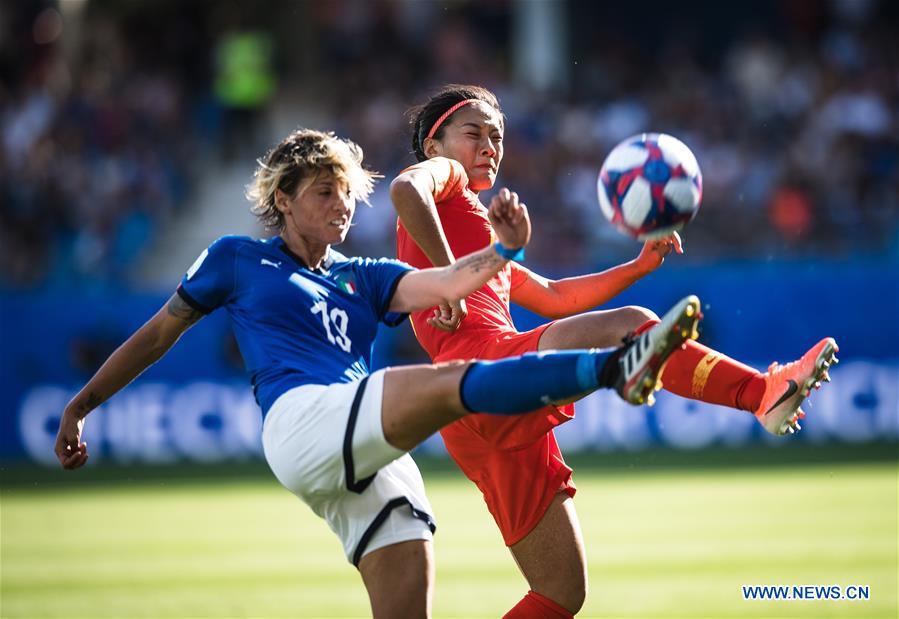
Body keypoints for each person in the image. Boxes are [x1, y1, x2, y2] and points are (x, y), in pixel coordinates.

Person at [55, 128, 705, 619]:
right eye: (322, 192)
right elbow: (158, 333)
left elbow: (449, 280)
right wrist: (81, 404)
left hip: (366, 453)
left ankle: (617, 365)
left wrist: (503, 249)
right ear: (282, 199)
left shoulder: (360, 274)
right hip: (303, 423)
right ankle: (617, 366)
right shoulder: (236, 258)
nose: (340, 204)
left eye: (345, 191)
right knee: (451, 382)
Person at [391, 85, 839, 618]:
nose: (490, 145)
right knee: (637, 328)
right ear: (435, 143)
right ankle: (760, 393)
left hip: (475, 411)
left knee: (559, 594)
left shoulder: (486, 237)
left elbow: (556, 297)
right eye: (475, 133)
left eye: (498, 136)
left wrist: (637, 267)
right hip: (484, 371)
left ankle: (744, 392)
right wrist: (448, 279)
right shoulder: (446, 178)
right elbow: (403, 190)